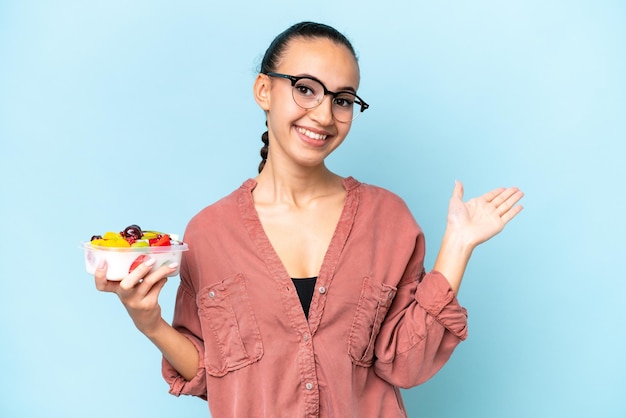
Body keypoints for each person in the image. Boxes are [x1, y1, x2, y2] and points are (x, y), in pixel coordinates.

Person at [94, 21, 524, 418]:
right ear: (264, 90)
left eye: (341, 100)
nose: (323, 115)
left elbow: (405, 364)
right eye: (305, 89)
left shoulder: (388, 220)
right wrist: (148, 321)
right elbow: (213, 372)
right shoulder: (209, 233)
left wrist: (458, 245)